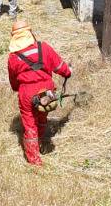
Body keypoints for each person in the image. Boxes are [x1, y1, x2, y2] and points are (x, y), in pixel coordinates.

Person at [7, 18, 72, 166]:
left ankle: (34, 160)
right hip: (46, 90)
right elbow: (60, 67)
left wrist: (19, 89)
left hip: (26, 92)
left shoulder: (13, 57)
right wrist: (68, 73)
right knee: (42, 116)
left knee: (30, 124)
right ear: (30, 33)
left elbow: (13, 81)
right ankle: (42, 140)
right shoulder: (44, 47)